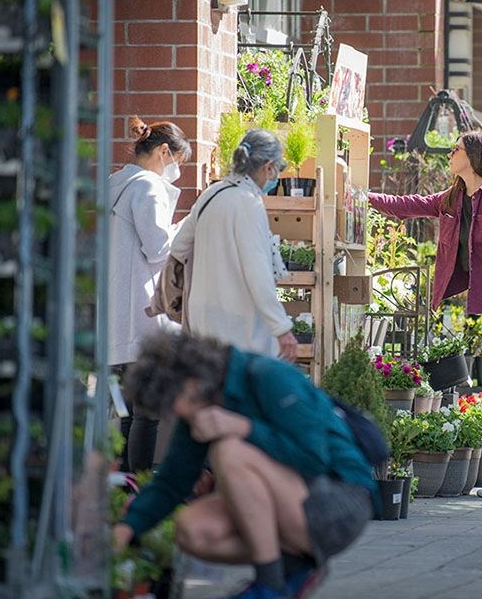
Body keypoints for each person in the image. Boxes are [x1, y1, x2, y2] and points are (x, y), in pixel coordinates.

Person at [111, 331, 377, 599]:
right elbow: (172, 481)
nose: (173, 414)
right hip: (294, 503)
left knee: (229, 452)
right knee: (192, 528)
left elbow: (314, 458)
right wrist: (127, 527)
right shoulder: (202, 403)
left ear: (188, 383)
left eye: (170, 404)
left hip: (341, 502)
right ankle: (295, 570)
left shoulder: (267, 376)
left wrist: (243, 426)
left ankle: (270, 586)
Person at [368, 131, 482, 498]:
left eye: (456, 149)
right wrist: (361, 198)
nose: (450, 153)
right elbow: (408, 204)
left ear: (475, 156)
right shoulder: (453, 199)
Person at [108, 116, 192, 473]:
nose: (176, 170)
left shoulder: (115, 182)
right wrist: (186, 227)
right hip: (142, 314)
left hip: (114, 316)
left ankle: (121, 492)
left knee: (125, 414)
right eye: (178, 161)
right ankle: (139, 491)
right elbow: (158, 248)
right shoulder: (147, 186)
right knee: (147, 414)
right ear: (163, 152)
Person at [171, 129, 297, 361]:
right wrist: (282, 328)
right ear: (268, 167)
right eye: (278, 170)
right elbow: (257, 271)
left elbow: (179, 247)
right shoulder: (248, 203)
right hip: (238, 323)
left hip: (201, 318)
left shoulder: (212, 193)